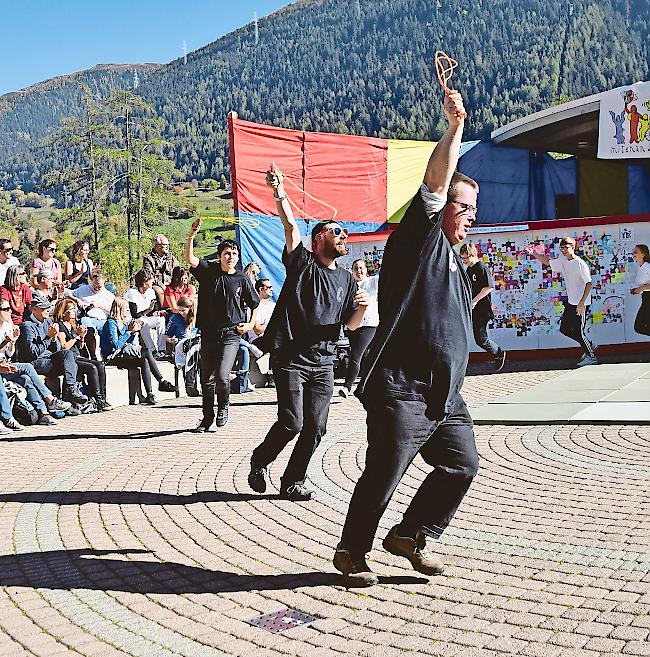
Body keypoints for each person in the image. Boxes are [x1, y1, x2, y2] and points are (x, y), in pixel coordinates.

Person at [334, 89, 480, 587]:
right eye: (466, 208)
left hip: (444, 394)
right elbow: (436, 183)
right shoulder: (418, 237)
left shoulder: (454, 260)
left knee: (462, 465)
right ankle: (352, 551)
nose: (472, 218)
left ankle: (410, 536)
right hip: (402, 388)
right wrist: (454, 127)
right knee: (385, 472)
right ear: (442, 208)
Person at [247, 166, 369, 501]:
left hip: (324, 363)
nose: (343, 236)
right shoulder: (302, 263)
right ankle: (260, 461)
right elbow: (289, 224)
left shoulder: (346, 280)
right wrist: (280, 191)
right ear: (318, 240)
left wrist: (360, 307)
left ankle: (292, 481)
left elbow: (351, 325)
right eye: (336, 232)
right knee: (292, 423)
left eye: (344, 232)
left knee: (317, 427)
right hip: (291, 360)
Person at [185, 229, 259, 431]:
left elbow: (255, 304)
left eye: (234, 254)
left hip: (231, 334)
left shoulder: (242, 279)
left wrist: (251, 324)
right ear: (220, 256)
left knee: (222, 375)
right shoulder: (209, 271)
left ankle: (223, 407)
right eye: (227, 253)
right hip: (209, 333)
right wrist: (192, 236)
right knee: (205, 379)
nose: (231, 257)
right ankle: (207, 417)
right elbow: (190, 259)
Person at [525, 237, 597, 367]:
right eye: (562, 248)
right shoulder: (563, 260)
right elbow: (547, 262)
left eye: (567, 247)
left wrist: (581, 303)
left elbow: (589, 284)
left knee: (578, 331)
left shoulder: (580, 263)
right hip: (571, 302)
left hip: (582, 303)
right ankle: (589, 345)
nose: (564, 250)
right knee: (565, 329)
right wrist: (533, 253)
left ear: (573, 247)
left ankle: (591, 356)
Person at [0, 304, 69, 425]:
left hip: (6, 362)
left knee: (25, 379)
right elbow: (33, 353)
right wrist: (6, 341)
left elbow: (9, 353)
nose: (10, 311)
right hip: (2, 366)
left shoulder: (6, 326)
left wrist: (12, 342)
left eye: (9, 309)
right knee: (27, 367)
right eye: (5, 309)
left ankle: (43, 413)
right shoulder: (27, 325)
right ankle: (50, 400)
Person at [16, 296, 88, 404]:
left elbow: (58, 349)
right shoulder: (27, 326)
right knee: (72, 366)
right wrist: (48, 337)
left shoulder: (48, 322)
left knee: (69, 356)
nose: (47, 310)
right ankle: (69, 395)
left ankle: (71, 390)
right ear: (33, 309)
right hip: (36, 362)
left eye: (48, 308)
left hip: (49, 358)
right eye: (43, 308)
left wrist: (54, 339)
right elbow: (33, 353)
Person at [100, 298, 173, 404]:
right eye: (125, 308)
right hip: (113, 356)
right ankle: (161, 381)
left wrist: (134, 332)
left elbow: (127, 341)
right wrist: (130, 332)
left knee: (144, 360)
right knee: (147, 352)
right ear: (119, 309)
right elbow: (116, 345)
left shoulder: (124, 323)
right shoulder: (111, 323)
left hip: (123, 354)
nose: (128, 310)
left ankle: (150, 394)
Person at [52, 298, 111, 411]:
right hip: (68, 359)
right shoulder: (59, 326)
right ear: (63, 312)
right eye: (71, 309)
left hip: (77, 355)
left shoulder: (74, 325)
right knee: (92, 367)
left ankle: (102, 398)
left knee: (100, 365)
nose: (74, 311)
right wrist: (77, 337)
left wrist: (82, 337)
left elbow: (80, 346)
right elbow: (64, 347)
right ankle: (97, 399)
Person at [459, 242, 506, 371]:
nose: (464, 261)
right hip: (472, 310)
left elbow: (488, 287)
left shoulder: (481, 268)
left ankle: (498, 353)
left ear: (472, 254)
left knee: (481, 339)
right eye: (462, 258)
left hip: (482, 310)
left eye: (465, 258)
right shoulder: (469, 270)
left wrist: (474, 301)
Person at [339, 259, 379, 398]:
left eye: (361, 268)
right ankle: (365, 385)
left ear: (366, 270)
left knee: (355, 355)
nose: (359, 270)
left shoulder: (372, 282)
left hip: (369, 324)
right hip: (353, 325)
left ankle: (347, 386)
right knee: (364, 355)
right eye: (356, 268)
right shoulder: (350, 286)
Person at [124, 270, 167, 357]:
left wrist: (157, 312)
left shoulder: (151, 292)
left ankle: (161, 349)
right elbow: (134, 315)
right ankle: (152, 350)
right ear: (144, 283)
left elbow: (153, 310)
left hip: (145, 317)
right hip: (133, 320)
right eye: (150, 279)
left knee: (160, 320)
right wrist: (147, 310)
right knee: (143, 322)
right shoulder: (132, 293)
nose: (153, 281)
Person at [165, 295, 201, 396]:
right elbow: (165, 335)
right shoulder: (175, 318)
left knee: (198, 349)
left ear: (190, 308)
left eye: (183, 310)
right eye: (179, 310)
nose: (181, 313)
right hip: (182, 345)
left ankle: (196, 383)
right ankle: (190, 384)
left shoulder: (197, 318)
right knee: (192, 347)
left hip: (197, 345)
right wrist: (170, 339)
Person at [142, 234, 178, 307]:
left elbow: (177, 272)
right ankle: (164, 310)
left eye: (167, 244)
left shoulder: (172, 258)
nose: (167, 246)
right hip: (156, 284)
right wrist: (162, 285)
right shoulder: (148, 259)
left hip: (171, 283)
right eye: (164, 244)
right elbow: (149, 276)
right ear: (157, 246)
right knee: (159, 291)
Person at [630, 243, 650, 336]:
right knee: (641, 327)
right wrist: (637, 290)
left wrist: (641, 288)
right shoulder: (641, 267)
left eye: (636, 252)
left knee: (639, 327)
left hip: (648, 299)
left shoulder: (648, 267)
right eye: (633, 252)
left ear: (643, 254)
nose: (633, 253)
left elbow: (645, 286)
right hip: (645, 298)